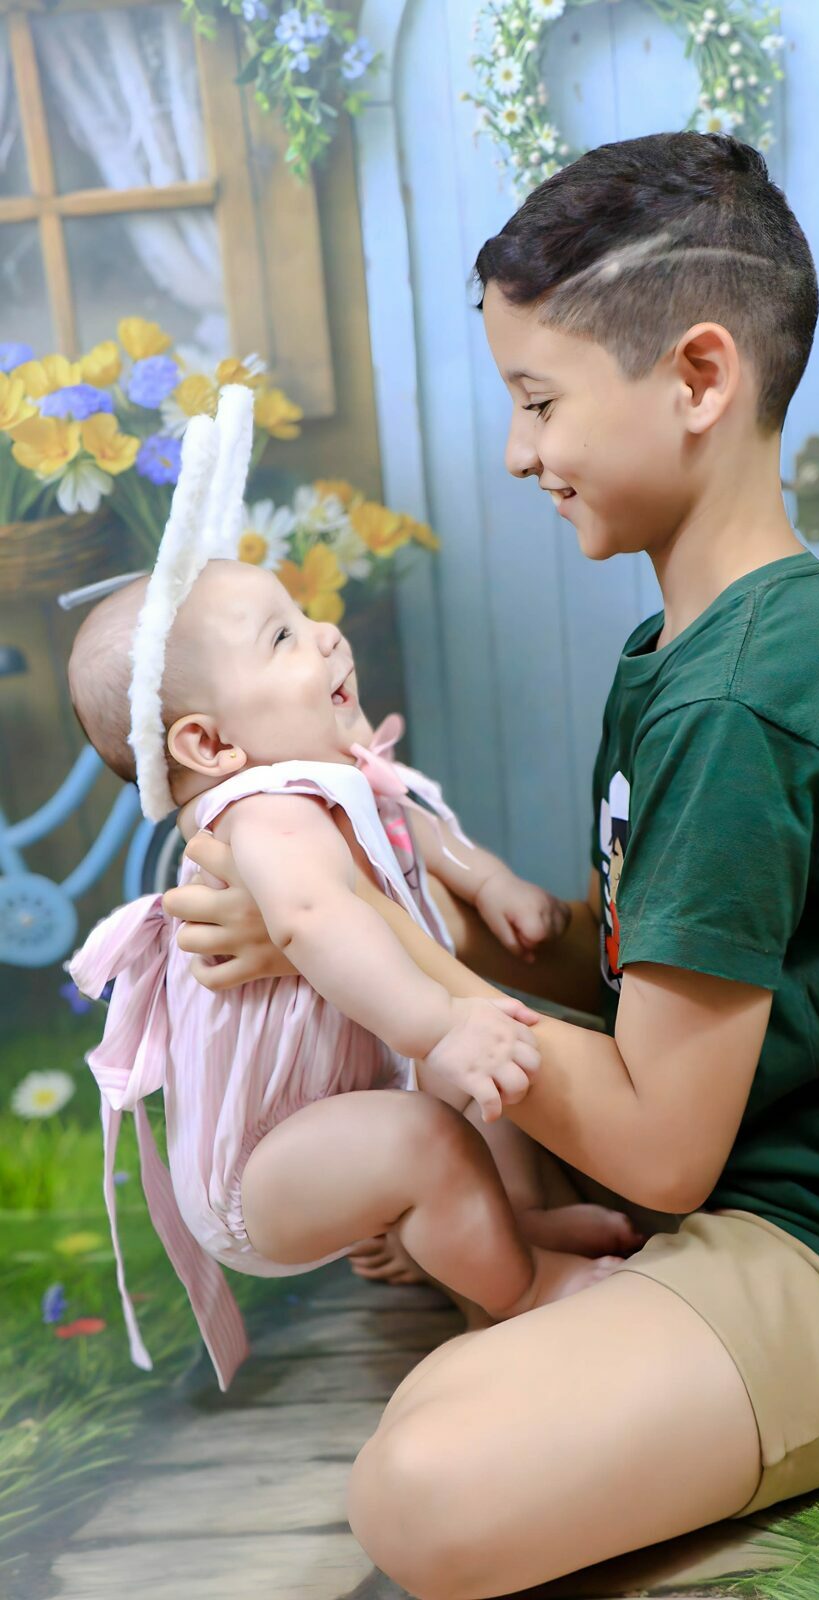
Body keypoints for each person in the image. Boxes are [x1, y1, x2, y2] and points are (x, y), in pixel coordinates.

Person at [165, 134, 819, 1593]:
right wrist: (341, 922)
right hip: (759, 1187)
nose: (518, 452)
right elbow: (642, 961)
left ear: (698, 379)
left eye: (538, 402)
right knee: (437, 1384)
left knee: (421, 1493)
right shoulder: (688, 649)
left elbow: (658, 1145)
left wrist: (373, 935)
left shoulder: (738, 702)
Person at [66, 390, 630, 1391]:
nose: (326, 635)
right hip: (260, 1169)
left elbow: (412, 824)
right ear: (208, 743)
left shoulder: (332, 775)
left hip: (339, 1097)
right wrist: (436, 1027)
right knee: (437, 1110)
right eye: (282, 640)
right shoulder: (261, 817)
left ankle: (514, 1220)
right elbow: (313, 917)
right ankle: (523, 1289)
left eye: (304, 616)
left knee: (479, 1082)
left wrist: (488, 879)